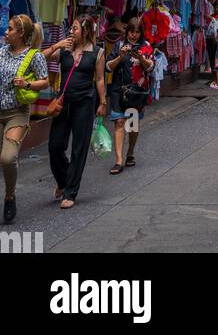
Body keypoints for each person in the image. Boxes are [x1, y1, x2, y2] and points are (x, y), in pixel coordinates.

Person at [44, 17, 107, 209]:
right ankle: (63, 181)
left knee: (79, 148)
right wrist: (57, 45)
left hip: (85, 104)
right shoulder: (64, 50)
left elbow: (99, 79)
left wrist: (102, 102)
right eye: (71, 28)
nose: (71, 31)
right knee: (55, 146)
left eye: (76, 28)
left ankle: (70, 192)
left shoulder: (97, 52)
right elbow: (40, 57)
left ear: (86, 31)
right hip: (63, 103)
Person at [0, 14, 49, 223]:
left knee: (8, 158)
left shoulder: (34, 56)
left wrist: (27, 84)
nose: (5, 32)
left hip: (17, 113)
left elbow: (45, 81)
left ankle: (10, 196)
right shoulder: (1, 52)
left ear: (20, 33)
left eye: (9, 29)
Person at [106, 16, 154, 174]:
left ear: (141, 33)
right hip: (118, 90)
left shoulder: (146, 47)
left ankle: (130, 152)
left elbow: (150, 68)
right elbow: (108, 67)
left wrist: (141, 58)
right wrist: (120, 56)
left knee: (132, 124)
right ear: (127, 32)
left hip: (136, 92)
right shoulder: (119, 45)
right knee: (119, 122)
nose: (133, 35)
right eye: (131, 32)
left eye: (137, 32)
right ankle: (118, 160)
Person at [205, 12, 218, 88]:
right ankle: (214, 79)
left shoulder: (215, 21)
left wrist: (212, 18)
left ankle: (216, 80)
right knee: (212, 60)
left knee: (214, 61)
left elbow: (215, 32)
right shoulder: (212, 21)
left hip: (213, 41)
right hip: (210, 40)